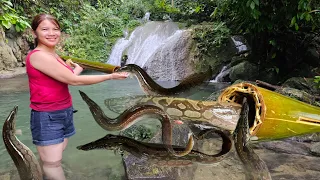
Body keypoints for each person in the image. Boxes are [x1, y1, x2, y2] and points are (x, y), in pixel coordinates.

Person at [26, 13, 128, 180]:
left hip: (63, 111)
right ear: (34, 33)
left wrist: (78, 69)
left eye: (55, 29)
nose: (52, 33)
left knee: (54, 156)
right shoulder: (38, 56)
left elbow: (64, 78)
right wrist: (110, 76)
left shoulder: (53, 55)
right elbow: (73, 81)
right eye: (45, 29)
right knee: (53, 163)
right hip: (47, 115)